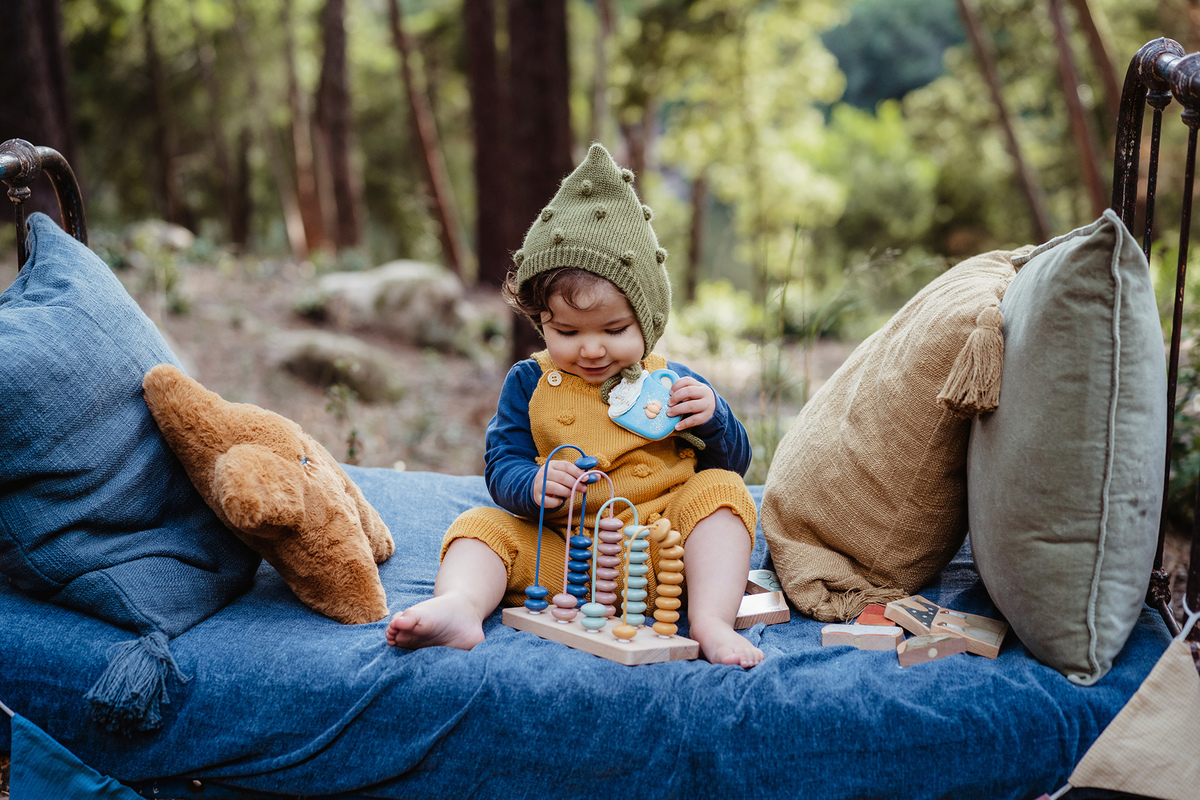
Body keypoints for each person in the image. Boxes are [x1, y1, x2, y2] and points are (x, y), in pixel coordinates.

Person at [386, 143, 762, 668]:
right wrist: (533, 485)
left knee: (724, 492)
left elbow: (733, 462)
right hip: (570, 557)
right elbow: (503, 463)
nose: (590, 348)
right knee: (481, 527)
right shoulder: (529, 381)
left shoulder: (671, 381)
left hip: (666, 546)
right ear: (541, 321)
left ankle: (711, 619)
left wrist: (716, 417)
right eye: (566, 331)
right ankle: (460, 606)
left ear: (648, 321)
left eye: (614, 330)